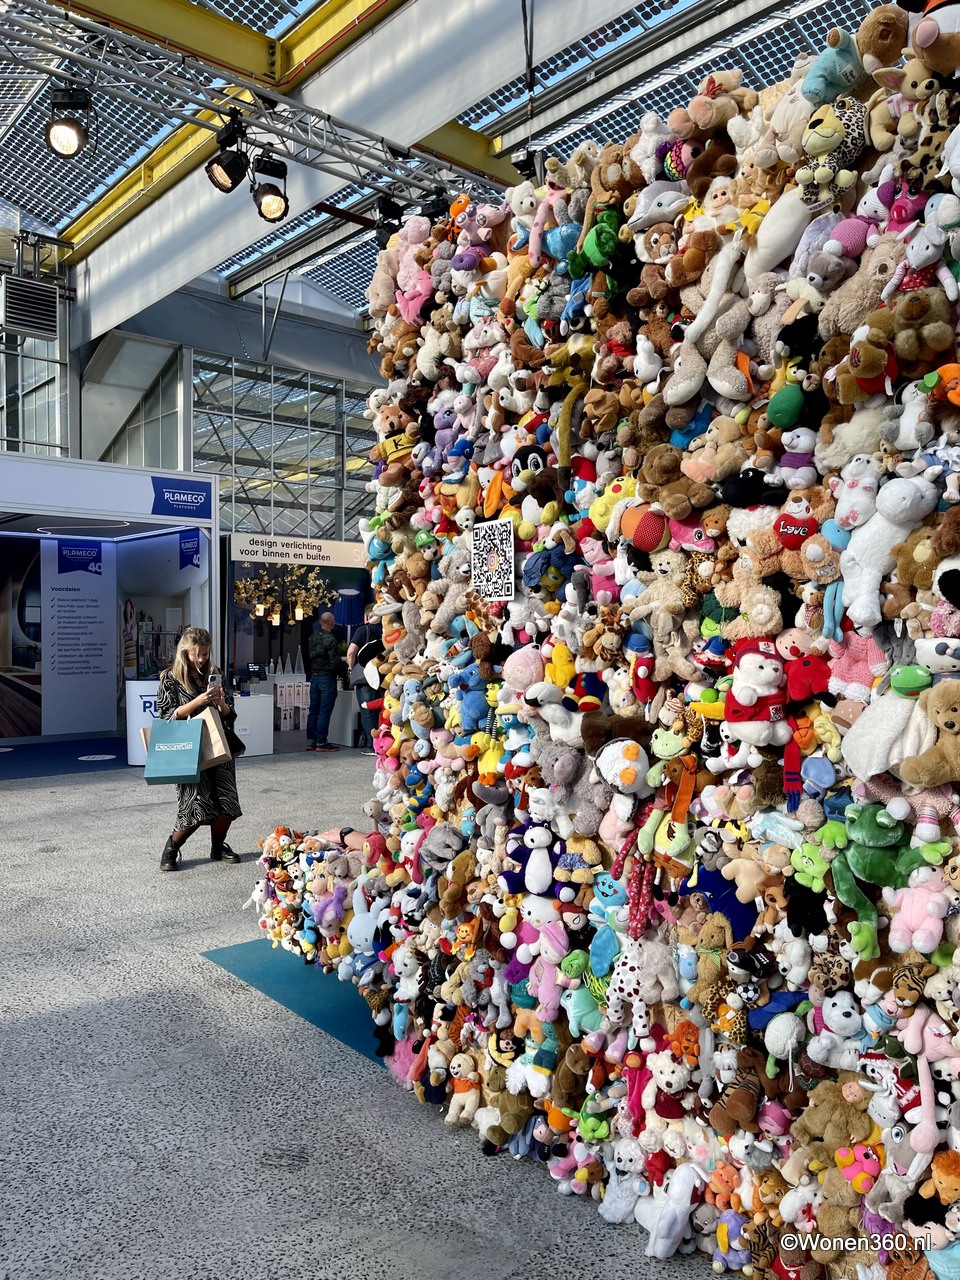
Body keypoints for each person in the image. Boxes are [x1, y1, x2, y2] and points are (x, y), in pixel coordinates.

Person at [156, 627, 242, 872]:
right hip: (188, 747)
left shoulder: (215, 673)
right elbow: (166, 716)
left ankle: (218, 846)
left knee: (227, 801)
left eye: (206, 654)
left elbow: (229, 714)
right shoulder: (170, 677)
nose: (202, 659)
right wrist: (199, 701)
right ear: (185, 651)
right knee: (195, 803)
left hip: (217, 743)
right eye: (197, 654)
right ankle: (172, 847)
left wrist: (221, 702)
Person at [346, 608, 383, 755]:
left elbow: (351, 652)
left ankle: (372, 745)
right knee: (380, 710)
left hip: (365, 677)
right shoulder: (384, 631)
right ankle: (383, 744)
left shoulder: (362, 630)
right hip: (382, 676)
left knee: (367, 710)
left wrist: (350, 668)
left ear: (366, 616)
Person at [306, 611, 343, 752]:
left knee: (313, 711)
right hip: (327, 678)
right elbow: (335, 662)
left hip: (314, 678)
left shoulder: (312, 638)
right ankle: (321, 742)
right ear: (332, 623)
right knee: (324, 712)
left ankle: (311, 741)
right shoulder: (331, 640)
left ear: (321, 622)